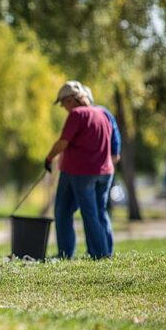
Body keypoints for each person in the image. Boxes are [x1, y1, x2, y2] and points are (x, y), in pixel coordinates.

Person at [44, 81, 114, 259]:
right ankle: (104, 251)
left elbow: (63, 142)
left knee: (86, 213)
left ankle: (99, 254)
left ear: (71, 100)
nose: (63, 107)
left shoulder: (77, 114)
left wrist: (49, 158)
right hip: (104, 171)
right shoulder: (102, 113)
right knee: (96, 211)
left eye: (63, 103)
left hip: (81, 172)